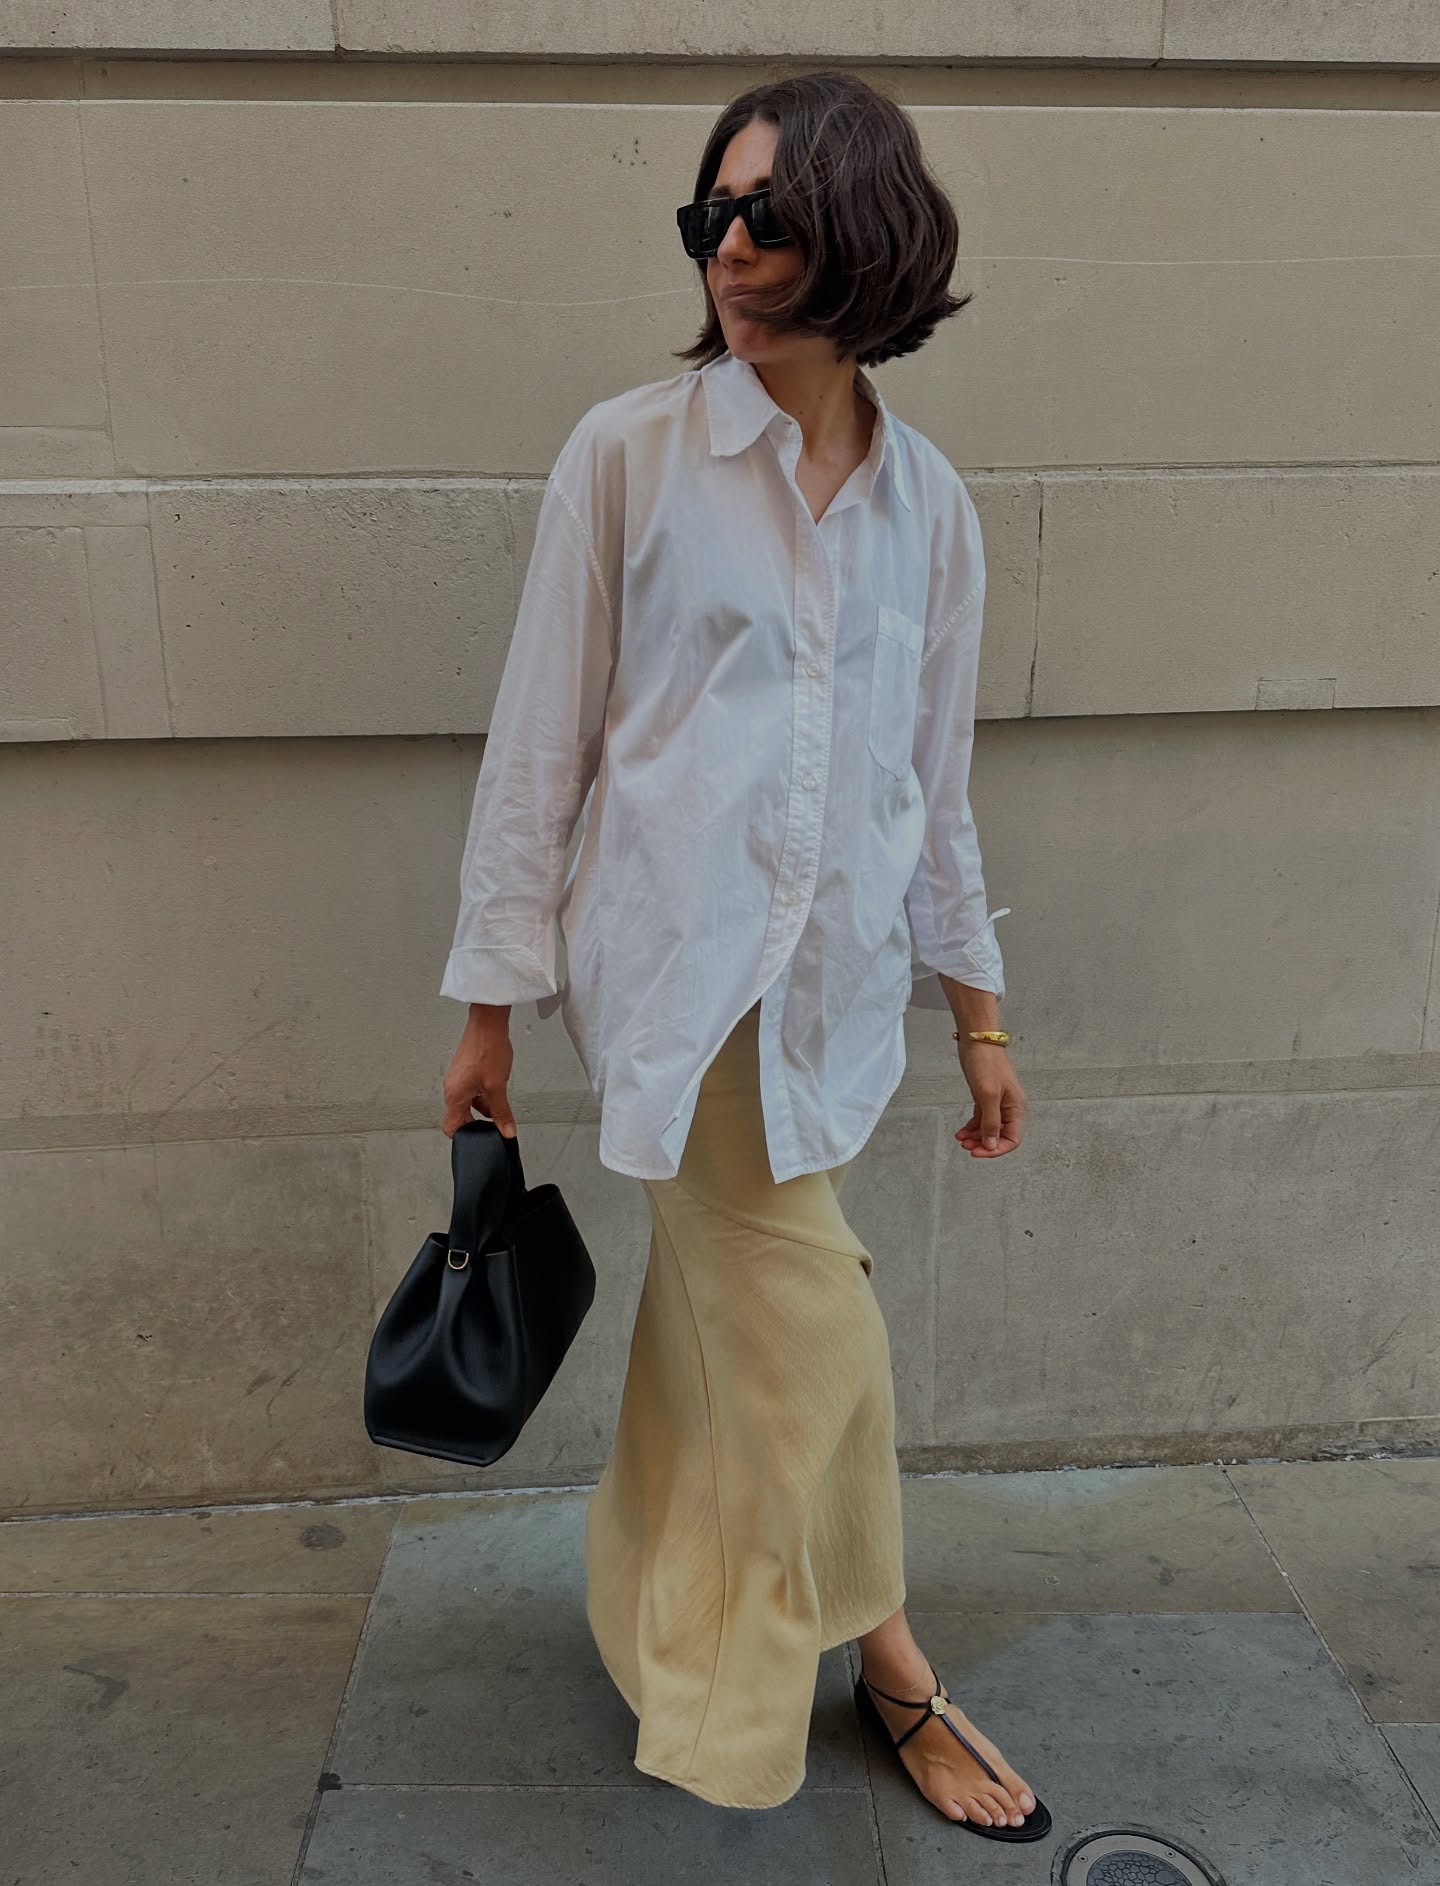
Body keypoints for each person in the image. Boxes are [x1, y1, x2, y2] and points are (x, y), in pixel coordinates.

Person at [438, 70, 1049, 1837]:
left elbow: (934, 795)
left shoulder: (931, 508)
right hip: (677, 991)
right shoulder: (630, 454)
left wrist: (980, 1011)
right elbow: (536, 745)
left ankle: (653, 1610)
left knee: (713, 1333)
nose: (731, 248)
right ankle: (897, 1669)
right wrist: (483, 1005)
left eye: (767, 214)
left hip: (835, 1004)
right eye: (711, 217)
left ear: (865, 231)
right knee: (815, 1331)